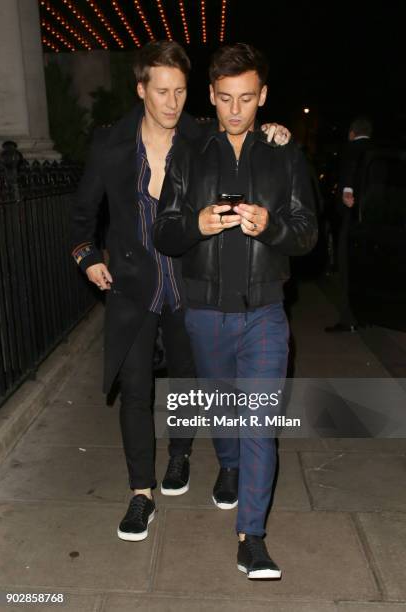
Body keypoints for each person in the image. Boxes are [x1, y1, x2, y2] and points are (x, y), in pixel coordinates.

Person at [70, 40, 291, 543]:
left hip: (189, 283)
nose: (173, 102)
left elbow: (244, 137)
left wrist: (274, 132)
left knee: (191, 381)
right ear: (141, 89)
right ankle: (140, 493)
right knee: (136, 387)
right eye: (162, 91)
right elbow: (82, 217)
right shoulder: (111, 145)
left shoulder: (200, 137)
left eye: (182, 91)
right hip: (133, 284)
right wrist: (87, 257)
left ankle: (181, 454)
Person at [153, 43, 317, 579]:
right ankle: (226, 465)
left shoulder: (285, 154)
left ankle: (252, 537)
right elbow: (164, 230)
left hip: (266, 312)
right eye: (225, 99)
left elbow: (308, 234)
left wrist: (270, 225)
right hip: (204, 313)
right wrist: (196, 225)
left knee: (258, 425)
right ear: (212, 97)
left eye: (247, 99)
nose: (236, 111)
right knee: (225, 413)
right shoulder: (189, 153)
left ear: (263, 96)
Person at [325, 116, 374, 333]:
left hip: (351, 220)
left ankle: (348, 318)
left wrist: (346, 191)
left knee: (345, 270)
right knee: (366, 271)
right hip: (373, 223)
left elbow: (348, 172)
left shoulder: (351, 149)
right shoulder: (376, 151)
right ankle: (366, 314)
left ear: (352, 132)